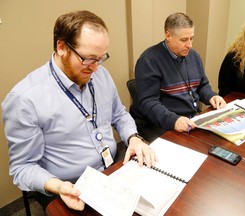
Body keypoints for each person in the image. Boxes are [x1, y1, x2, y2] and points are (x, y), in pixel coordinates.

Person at [2, 10, 156, 211]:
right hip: (71, 186)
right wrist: (59, 186)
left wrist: (133, 138)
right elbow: (22, 168)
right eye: (89, 59)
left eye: (101, 58)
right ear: (61, 47)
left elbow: (119, 114)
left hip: (113, 170)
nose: (95, 69)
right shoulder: (25, 99)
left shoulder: (100, 75)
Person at [134, 12, 226, 141]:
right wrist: (174, 120)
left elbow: (202, 85)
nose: (190, 45)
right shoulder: (149, 60)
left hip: (191, 120)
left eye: (191, 38)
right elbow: (148, 103)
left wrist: (211, 96)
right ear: (168, 36)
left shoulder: (193, 56)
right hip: (162, 123)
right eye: (184, 40)